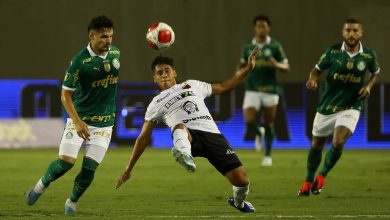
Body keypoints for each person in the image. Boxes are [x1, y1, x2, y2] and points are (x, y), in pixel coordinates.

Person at [115, 48, 260, 213]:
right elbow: (142, 139)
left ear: (174, 72)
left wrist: (248, 69)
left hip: (213, 136)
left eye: (167, 71)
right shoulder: (155, 103)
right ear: (154, 78)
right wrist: (128, 169)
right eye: (159, 73)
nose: (164, 75)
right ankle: (185, 155)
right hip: (190, 137)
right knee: (179, 127)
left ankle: (238, 203)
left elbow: (224, 86)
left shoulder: (192, 85)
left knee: (242, 181)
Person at [26, 15, 120, 214]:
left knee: (89, 169)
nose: (109, 41)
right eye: (103, 37)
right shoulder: (79, 62)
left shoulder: (116, 54)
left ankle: (72, 202)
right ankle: (41, 185)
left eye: (111, 36)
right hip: (81, 119)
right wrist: (77, 122)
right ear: (91, 36)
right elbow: (65, 95)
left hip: (104, 123)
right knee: (66, 162)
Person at [298, 18, 380, 196]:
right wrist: (312, 78)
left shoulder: (369, 55)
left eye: (355, 31)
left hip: (351, 105)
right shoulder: (332, 52)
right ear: (343, 33)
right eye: (348, 31)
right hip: (328, 105)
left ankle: (322, 175)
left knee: (338, 141)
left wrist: (368, 86)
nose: (351, 34)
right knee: (316, 145)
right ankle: (307, 181)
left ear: (361, 33)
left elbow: (375, 73)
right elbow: (316, 70)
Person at [240, 15, 290, 166]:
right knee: (249, 120)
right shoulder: (247, 48)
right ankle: (258, 132)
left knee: (269, 123)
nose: (261, 28)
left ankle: (268, 155)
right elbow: (241, 67)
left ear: (269, 28)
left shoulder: (275, 46)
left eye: (264, 26)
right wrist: (238, 73)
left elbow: (287, 67)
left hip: (270, 89)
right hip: (252, 89)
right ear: (255, 28)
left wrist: (276, 65)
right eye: (259, 26)